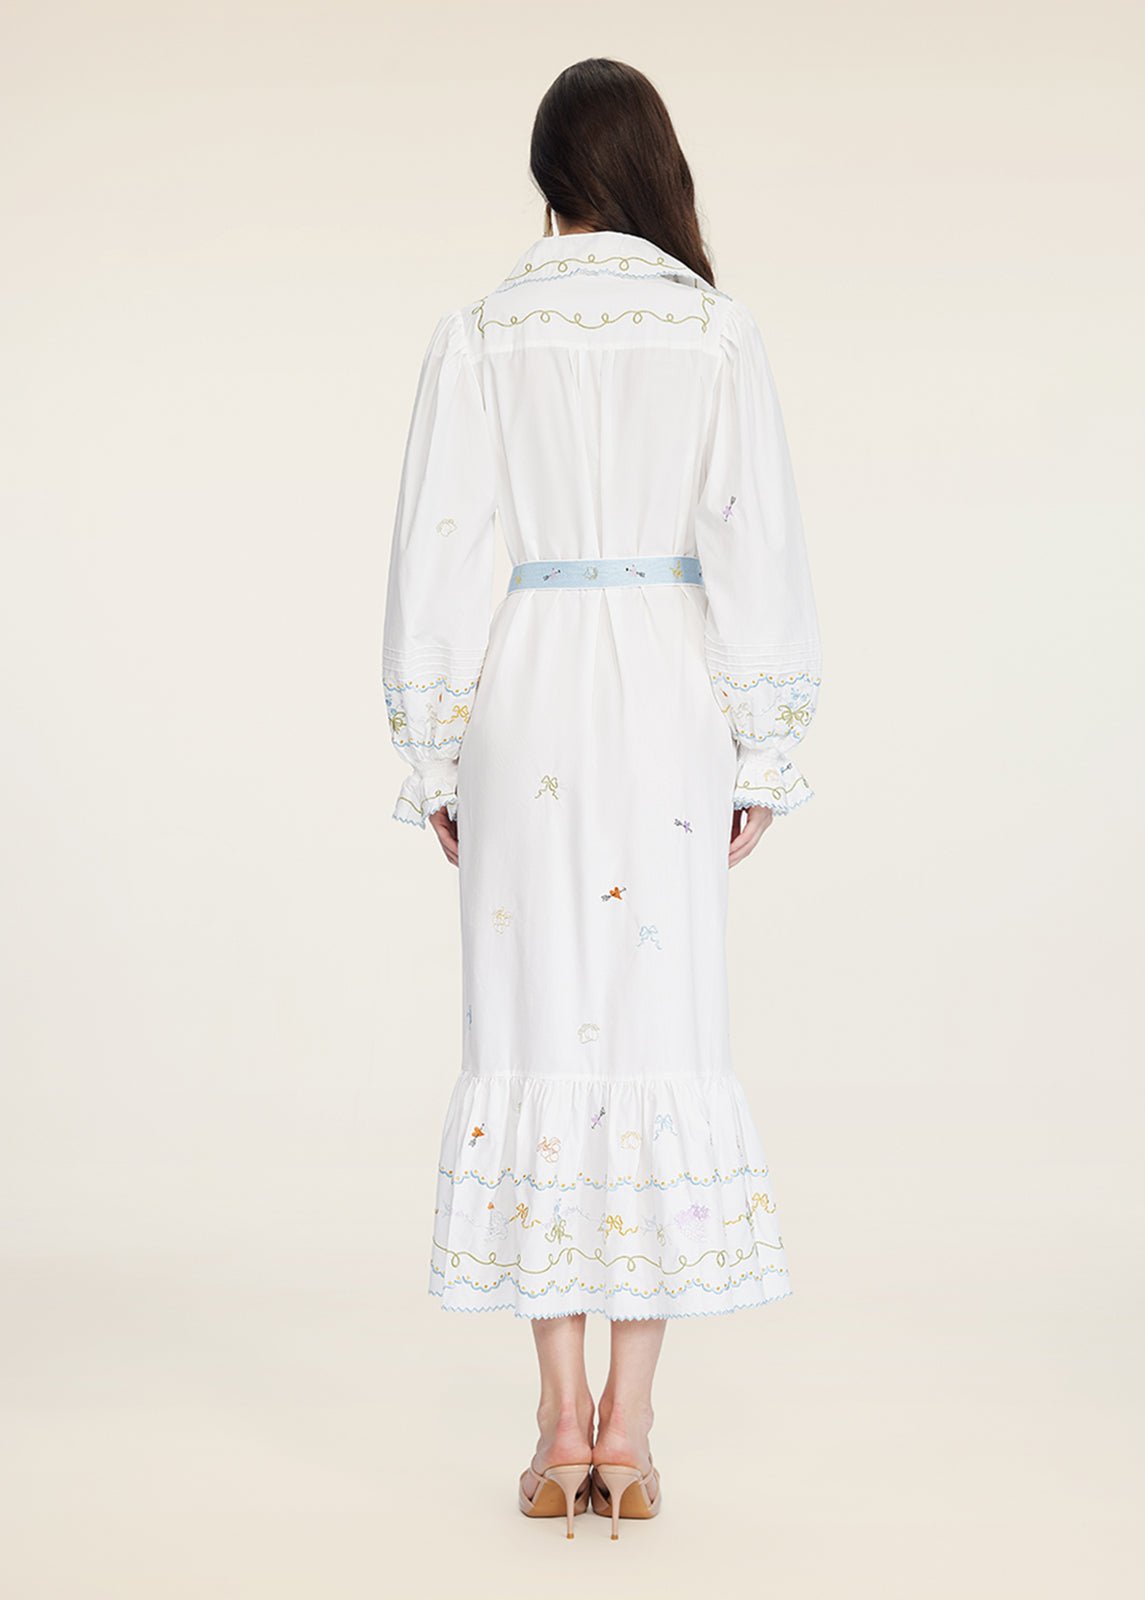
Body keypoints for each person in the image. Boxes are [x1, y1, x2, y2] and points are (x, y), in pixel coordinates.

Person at [380, 58, 822, 1539]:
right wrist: (764, 746)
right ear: (654, 167)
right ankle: (629, 1435)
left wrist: (436, 747)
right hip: (665, 709)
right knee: (659, 1030)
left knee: (529, 1028)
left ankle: (555, 1421)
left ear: (547, 177)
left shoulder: (481, 332)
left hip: (528, 690)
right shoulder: (713, 331)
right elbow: (755, 541)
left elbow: (441, 545)